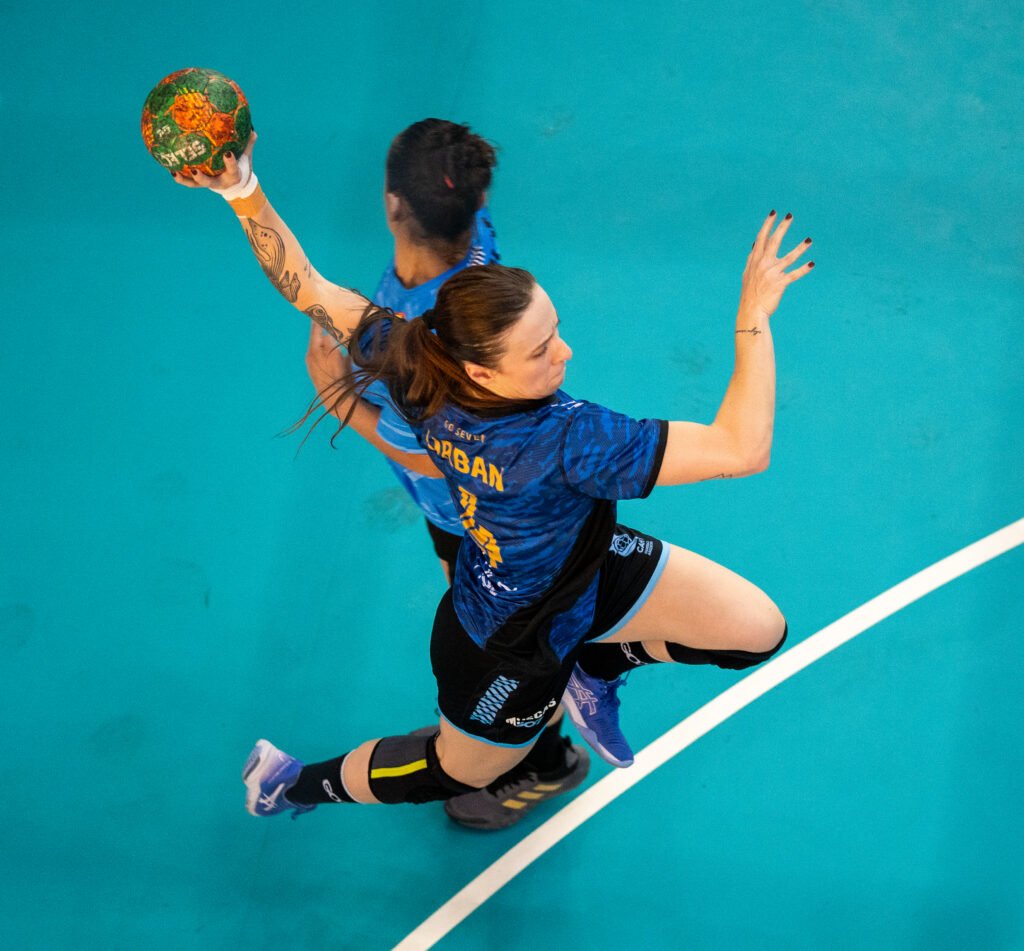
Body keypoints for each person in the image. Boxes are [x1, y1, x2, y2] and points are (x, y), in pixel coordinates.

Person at [242, 208, 813, 815]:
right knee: (451, 771)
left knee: (757, 632)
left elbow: (305, 283)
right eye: (541, 351)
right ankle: (291, 784)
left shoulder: (418, 368)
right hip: (508, 643)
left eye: (556, 329)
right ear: (481, 370)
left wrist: (240, 188)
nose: (565, 353)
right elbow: (742, 450)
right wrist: (752, 317)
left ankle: (596, 661)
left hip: (586, 568)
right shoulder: (573, 442)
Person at [173, 122, 588, 829]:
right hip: (521, 487)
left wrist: (337, 395)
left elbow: (428, 453)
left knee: (510, 651)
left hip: (482, 520)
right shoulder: (477, 260)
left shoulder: (414, 341)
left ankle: (545, 760)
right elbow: (311, 286)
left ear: (393, 204)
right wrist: (240, 186)